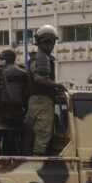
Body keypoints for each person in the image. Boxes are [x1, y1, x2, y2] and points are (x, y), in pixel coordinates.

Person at [27, 24, 64, 156]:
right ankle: (38, 158)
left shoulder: (42, 58)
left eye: (51, 42)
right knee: (43, 131)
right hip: (41, 100)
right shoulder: (41, 58)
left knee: (40, 131)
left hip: (39, 100)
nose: (49, 45)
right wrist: (58, 86)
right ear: (38, 42)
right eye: (45, 42)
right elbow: (41, 80)